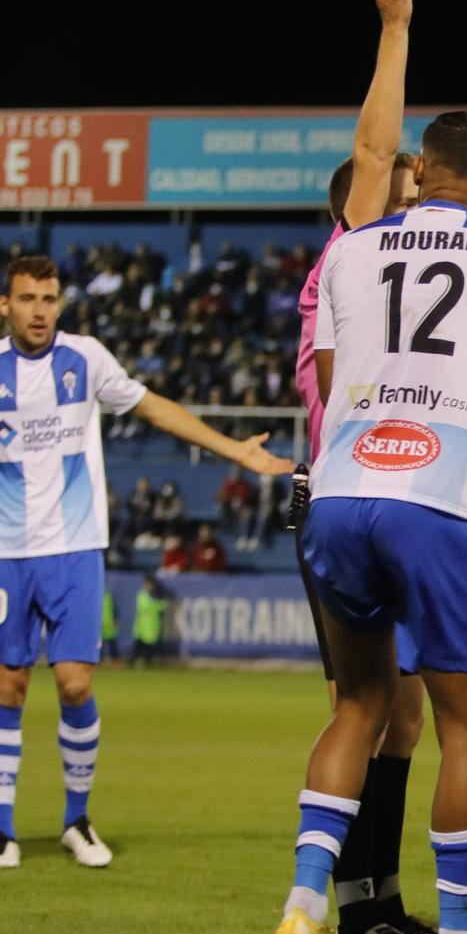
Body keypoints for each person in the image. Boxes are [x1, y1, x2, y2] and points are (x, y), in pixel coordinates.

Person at [275, 112, 467, 934]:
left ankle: (306, 905)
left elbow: (325, 381)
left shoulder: (351, 250)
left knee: (356, 706)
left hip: (340, 491)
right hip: (438, 504)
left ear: (423, 167)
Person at [0, 256, 289, 872]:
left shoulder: (86, 358)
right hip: (7, 552)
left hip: (75, 547)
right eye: (28, 298)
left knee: (75, 683)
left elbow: (154, 407)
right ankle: (2, 829)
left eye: (49, 298)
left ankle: (77, 819)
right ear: (6, 306)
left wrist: (231, 447)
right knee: (9, 688)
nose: (41, 310)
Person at [293, 0, 437, 934]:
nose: (411, 191)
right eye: (400, 190)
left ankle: (371, 906)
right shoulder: (352, 258)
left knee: (398, 710)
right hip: (354, 495)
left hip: (373, 491)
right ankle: (338, 906)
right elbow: (378, 149)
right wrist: (393, 31)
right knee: (367, 705)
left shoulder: (384, 279)